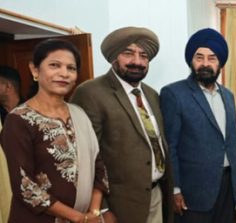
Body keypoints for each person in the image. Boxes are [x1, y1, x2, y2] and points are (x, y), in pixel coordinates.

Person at [71, 27, 174, 223]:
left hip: (156, 196)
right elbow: (84, 157)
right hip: (118, 205)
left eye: (143, 55)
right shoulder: (90, 93)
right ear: (113, 57)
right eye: (128, 53)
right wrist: (101, 208)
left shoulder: (151, 94)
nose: (137, 61)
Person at [1, 39, 108, 223]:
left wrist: (94, 212)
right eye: (54, 65)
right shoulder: (19, 119)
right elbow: (25, 187)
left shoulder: (79, 114)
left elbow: (99, 169)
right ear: (35, 70)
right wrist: (79, 218)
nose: (64, 73)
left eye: (71, 68)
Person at [160, 28, 236, 223]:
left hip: (226, 187)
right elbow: (170, 146)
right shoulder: (174, 94)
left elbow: (233, 141)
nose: (205, 64)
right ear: (191, 61)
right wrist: (175, 189)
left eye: (212, 58)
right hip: (193, 191)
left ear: (220, 63)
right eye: (199, 57)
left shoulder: (228, 95)